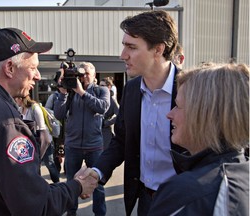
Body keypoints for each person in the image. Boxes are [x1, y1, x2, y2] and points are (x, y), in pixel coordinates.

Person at [0, 27, 97, 216]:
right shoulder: (7, 123)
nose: (38, 76)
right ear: (10, 68)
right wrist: (77, 186)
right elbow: (36, 206)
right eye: (33, 68)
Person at [80, 10, 188, 216]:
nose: (123, 55)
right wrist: (97, 171)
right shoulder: (131, 90)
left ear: (158, 49)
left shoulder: (191, 89)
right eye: (124, 46)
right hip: (144, 200)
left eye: (131, 47)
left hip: (183, 201)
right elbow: (121, 140)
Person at [147, 62, 249, 215]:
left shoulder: (186, 193)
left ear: (206, 116)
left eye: (178, 106)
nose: (169, 115)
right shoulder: (241, 171)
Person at [54, 62, 110, 216]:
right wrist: (63, 93)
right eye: (82, 73)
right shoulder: (70, 93)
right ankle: (71, 213)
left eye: (87, 73)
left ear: (94, 75)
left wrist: (81, 92)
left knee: (97, 184)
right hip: (73, 146)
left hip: (94, 146)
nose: (84, 76)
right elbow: (58, 114)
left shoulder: (101, 90)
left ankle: (100, 214)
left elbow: (103, 107)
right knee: (71, 183)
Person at [16, 95, 60, 183]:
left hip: (44, 141)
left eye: (16, 98)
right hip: (31, 143)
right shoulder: (20, 109)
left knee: (49, 164)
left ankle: (57, 182)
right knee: (36, 166)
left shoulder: (34, 108)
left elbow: (43, 131)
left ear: (21, 99)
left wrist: (40, 153)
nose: (15, 100)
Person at [99, 77, 119, 150]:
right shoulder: (97, 97)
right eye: (100, 85)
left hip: (105, 132)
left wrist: (107, 123)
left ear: (109, 87)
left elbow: (120, 115)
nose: (100, 87)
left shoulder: (112, 101)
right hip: (95, 130)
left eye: (103, 86)